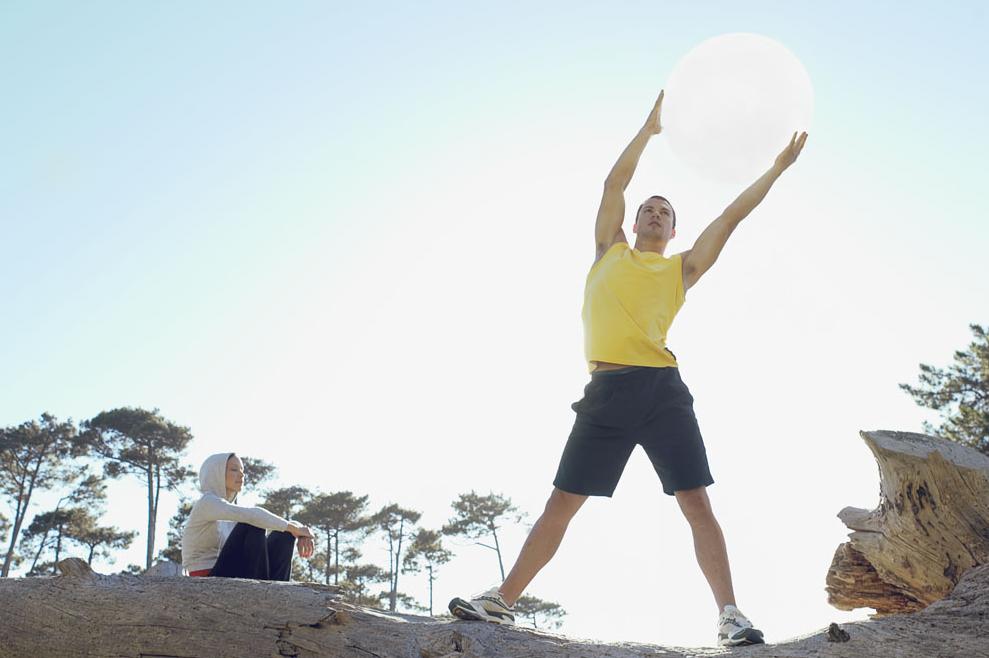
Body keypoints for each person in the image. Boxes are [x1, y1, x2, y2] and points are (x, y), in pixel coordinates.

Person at [449, 89, 808, 647]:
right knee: (561, 502)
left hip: (662, 392)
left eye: (665, 212)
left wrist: (778, 168)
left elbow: (732, 215)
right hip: (606, 393)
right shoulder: (608, 251)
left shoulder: (683, 270)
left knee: (696, 503)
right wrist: (648, 132)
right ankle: (501, 600)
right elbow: (614, 184)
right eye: (649, 208)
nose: (654, 213)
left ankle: (731, 614)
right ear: (634, 221)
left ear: (673, 230)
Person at [181, 452, 315, 580]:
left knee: (284, 535)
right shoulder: (207, 502)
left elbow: (256, 517)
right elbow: (253, 516)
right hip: (208, 579)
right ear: (216, 473)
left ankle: (277, 588)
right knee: (254, 523)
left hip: (234, 572)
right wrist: (295, 529)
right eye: (234, 470)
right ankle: (261, 587)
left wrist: (300, 532)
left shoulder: (233, 511)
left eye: (242, 470)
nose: (241, 475)